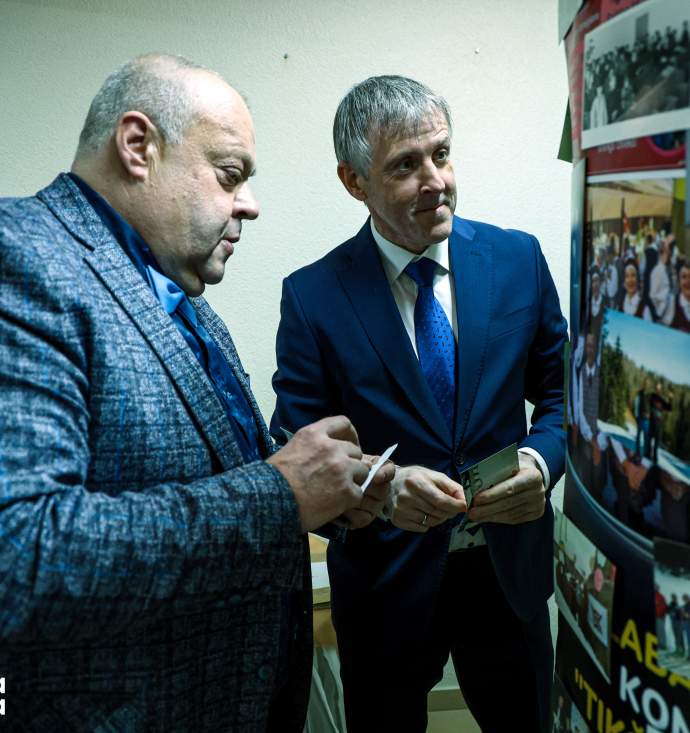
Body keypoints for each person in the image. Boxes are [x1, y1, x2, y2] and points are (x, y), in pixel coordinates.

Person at [0, 54, 389, 731]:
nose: (250, 204)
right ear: (138, 146)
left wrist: (341, 490)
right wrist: (282, 496)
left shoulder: (188, 304)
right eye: (229, 174)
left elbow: (220, 470)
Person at [270, 76, 567, 733]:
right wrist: (380, 490)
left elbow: (564, 393)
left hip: (509, 577)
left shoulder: (517, 259)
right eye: (406, 165)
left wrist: (540, 463)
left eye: (442, 153)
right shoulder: (313, 298)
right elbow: (296, 448)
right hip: (385, 593)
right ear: (354, 181)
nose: (437, 181)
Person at [573, 333, 607, 493]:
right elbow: (579, 410)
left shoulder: (602, 374)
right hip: (586, 441)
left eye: (593, 346)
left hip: (601, 442)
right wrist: (591, 440)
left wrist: (599, 442)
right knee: (585, 482)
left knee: (599, 486)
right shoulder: (580, 373)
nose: (590, 349)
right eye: (588, 345)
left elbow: (606, 412)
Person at [648, 235, 674, 325]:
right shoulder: (657, 271)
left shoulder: (668, 269)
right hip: (662, 320)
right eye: (670, 249)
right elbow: (653, 296)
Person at [648, 383, 674, 462]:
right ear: (655, 388)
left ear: (660, 389)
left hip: (658, 423)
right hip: (651, 421)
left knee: (656, 441)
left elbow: (669, 408)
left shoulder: (661, 400)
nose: (657, 389)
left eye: (659, 388)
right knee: (649, 439)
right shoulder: (652, 396)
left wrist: (670, 397)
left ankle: (655, 457)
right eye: (656, 387)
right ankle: (648, 455)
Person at [635, 378, 654, 457]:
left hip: (647, 420)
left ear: (649, 385)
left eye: (648, 384)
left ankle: (646, 453)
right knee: (638, 436)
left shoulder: (650, 395)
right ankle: (637, 451)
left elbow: (652, 407)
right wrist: (636, 415)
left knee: (646, 437)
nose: (646, 385)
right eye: (645, 383)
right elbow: (636, 404)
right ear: (643, 384)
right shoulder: (640, 393)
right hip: (640, 418)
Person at [655, 585, 668, 649]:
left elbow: (663, 607)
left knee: (660, 630)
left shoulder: (660, 597)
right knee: (657, 630)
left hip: (659, 617)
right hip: (657, 616)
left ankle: (662, 644)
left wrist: (657, 612)